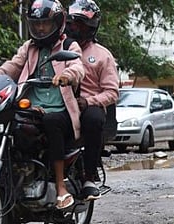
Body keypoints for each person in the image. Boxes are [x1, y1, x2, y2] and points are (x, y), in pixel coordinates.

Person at [0, 0, 86, 210]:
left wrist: (67, 75)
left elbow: (78, 67)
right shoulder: (29, 47)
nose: (41, 28)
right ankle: (12, 180)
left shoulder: (68, 45)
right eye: (36, 24)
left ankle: (61, 188)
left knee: (52, 121)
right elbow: (10, 67)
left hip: (59, 109)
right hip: (31, 108)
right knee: (6, 125)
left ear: (58, 23)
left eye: (45, 23)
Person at [65, 0, 119, 201]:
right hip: (60, 103)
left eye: (81, 25)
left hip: (88, 106)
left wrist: (89, 101)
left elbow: (112, 92)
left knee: (93, 119)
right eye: (72, 24)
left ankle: (89, 176)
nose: (75, 29)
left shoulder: (102, 56)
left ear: (91, 27)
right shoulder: (56, 49)